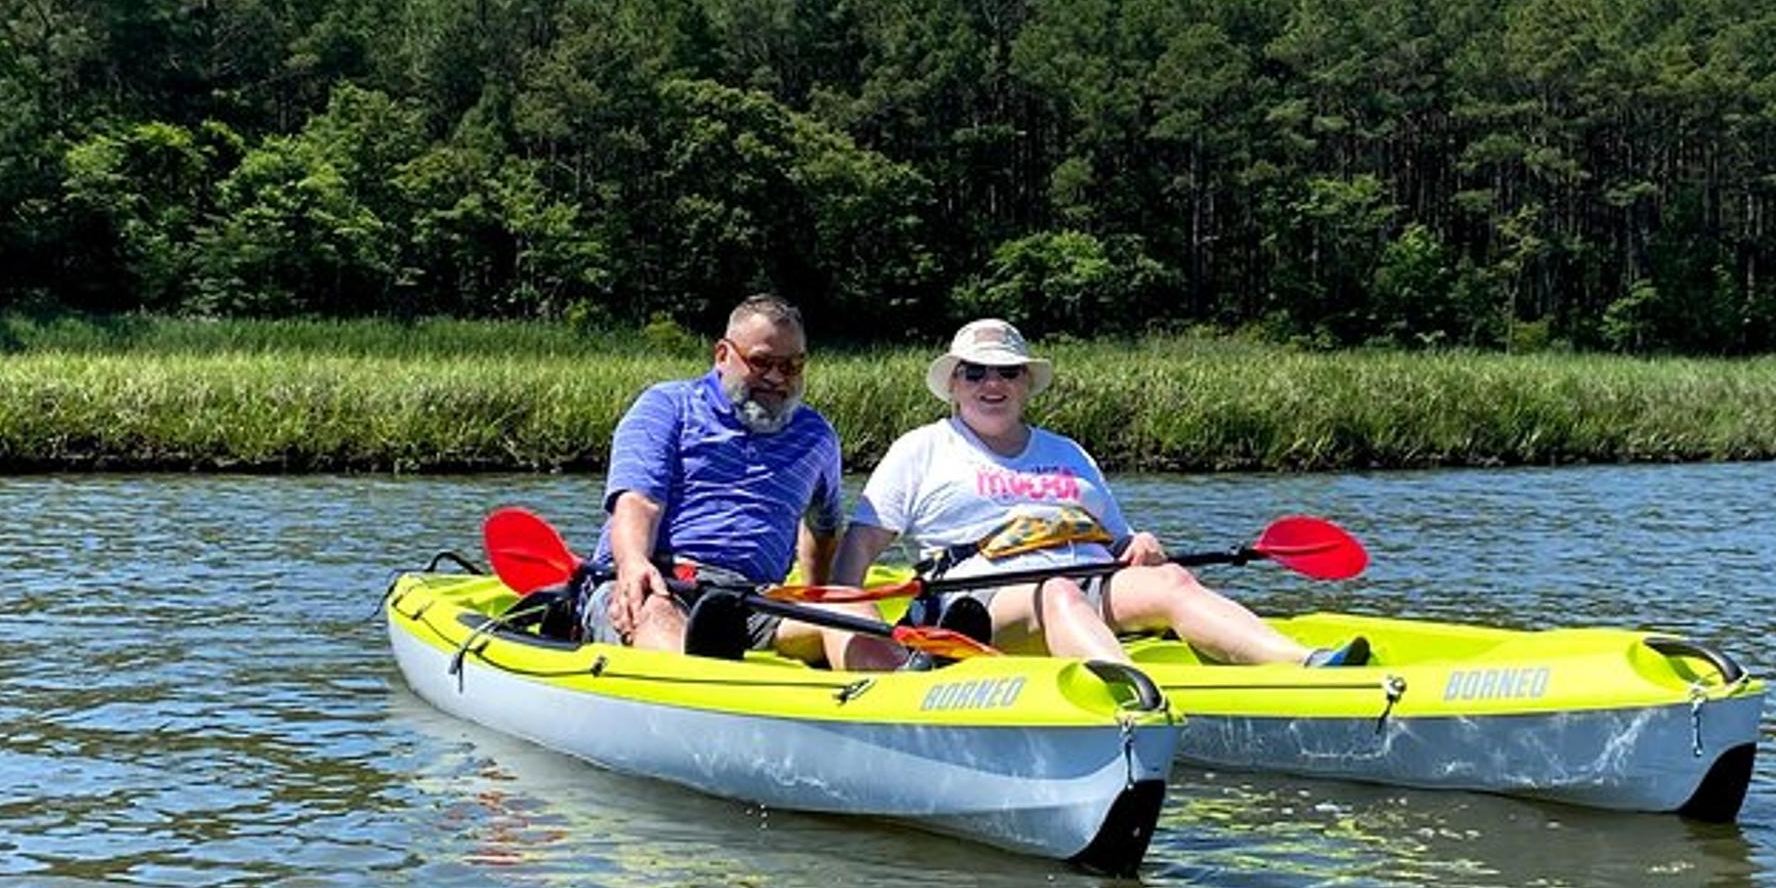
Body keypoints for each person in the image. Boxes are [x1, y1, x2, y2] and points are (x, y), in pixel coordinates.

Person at [829, 318, 1363, 667]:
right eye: (976, 373)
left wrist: (1140, 548)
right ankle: (1129, 700)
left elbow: (1119, 545)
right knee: (1056, 592)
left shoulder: (1068, 452)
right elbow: (857, 552)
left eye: (1008, 372)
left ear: (1024, 383)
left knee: (1171, 578)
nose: (992, 384)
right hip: (974, 606)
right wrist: (865, 641)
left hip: (1087, 582)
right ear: (954, 384)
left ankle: (1303, 666)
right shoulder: (920, 449)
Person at [583, 294, 901, 672]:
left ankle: (896, 705)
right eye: (762, 362)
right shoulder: (667, 405)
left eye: (792, 366)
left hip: (752, 600)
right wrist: (633, 564)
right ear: (722, 355)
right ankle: (696, 698)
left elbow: (822, 528)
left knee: (849, 609)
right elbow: (638, 502)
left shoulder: (817, 437)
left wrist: (818, 596)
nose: (776, 378)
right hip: (663, 578)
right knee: (655, 612)